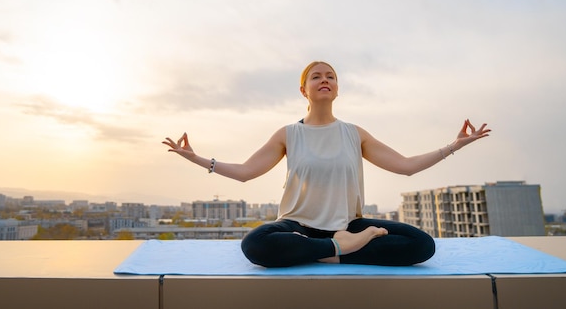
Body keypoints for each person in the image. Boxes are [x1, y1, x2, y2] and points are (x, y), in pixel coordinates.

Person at [163, 61, 491, 268]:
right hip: (297, 226)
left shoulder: (354, 133)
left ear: (336, 88)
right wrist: (196, 158)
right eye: (316, 76)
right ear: (303, 89)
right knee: (255, 245)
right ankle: (337, 248)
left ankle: (331, 247)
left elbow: (405, 166)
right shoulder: (289, 134)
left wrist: (454, 146)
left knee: (422, 245)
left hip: (349, 224)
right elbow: (247, 172)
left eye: (330, 76)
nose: (325, 80)